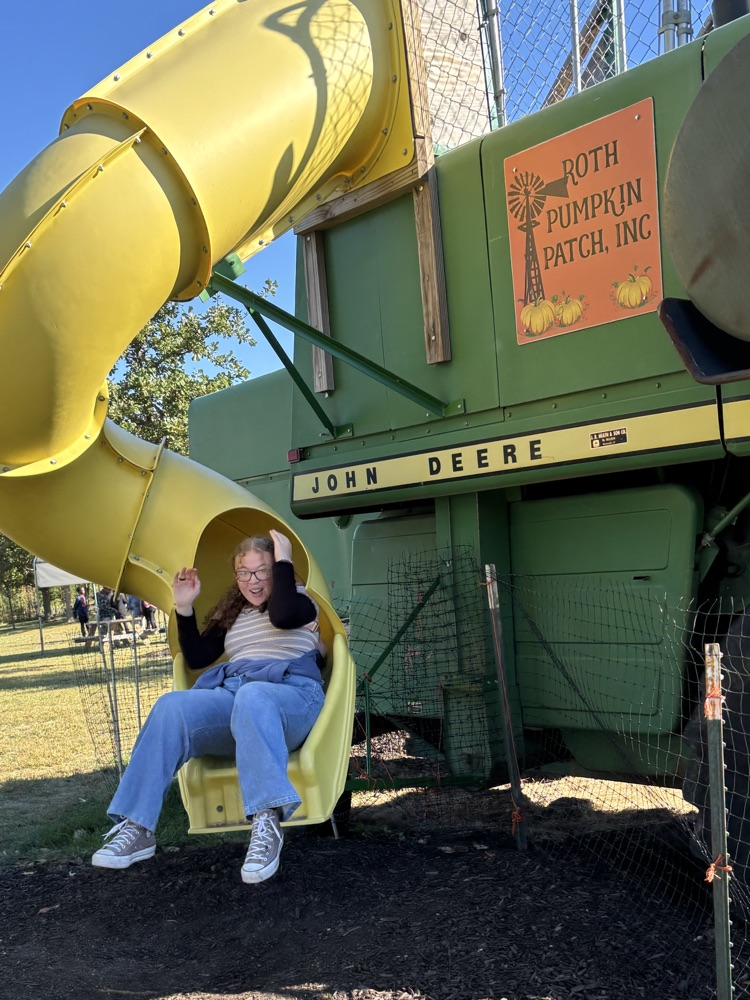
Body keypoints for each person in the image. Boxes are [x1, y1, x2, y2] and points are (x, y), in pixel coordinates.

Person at [91, 530, 325, 885]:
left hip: (290, 696)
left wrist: (284, 559)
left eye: (262, 570)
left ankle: (267, 821)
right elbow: (199, 655)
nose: (253, 581)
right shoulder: (234, 612)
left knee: (254, 695)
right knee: (172, 707)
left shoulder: (301, 601)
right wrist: (184, 605)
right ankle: (137, 826)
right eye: (243, 573)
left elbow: (280, 615)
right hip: (238, 698)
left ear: (278, 570)